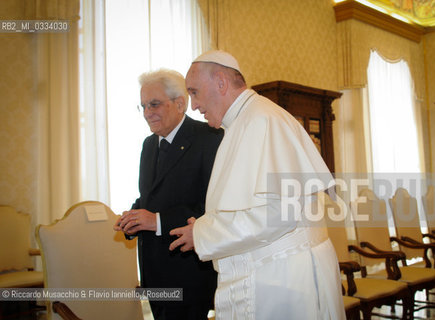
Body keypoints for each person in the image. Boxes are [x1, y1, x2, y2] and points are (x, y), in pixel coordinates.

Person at [169, 51, 345, 319]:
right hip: (275, 273)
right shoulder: (246, 121)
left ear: (220, 82)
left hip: (282, 278)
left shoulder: (262, 120)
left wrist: (203, 234)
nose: (193, 105)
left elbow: (277, 214)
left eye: (195, 92)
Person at [114, 68, 223, 320]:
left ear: (180, 103)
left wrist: (158, 220)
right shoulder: (149, 144)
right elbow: (149, 197)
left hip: (190, 272)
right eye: (142, 106)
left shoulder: (209, 138)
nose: (147, 113)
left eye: (154, 104)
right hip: (154, 270)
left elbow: (214, 206)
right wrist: (133, 217)